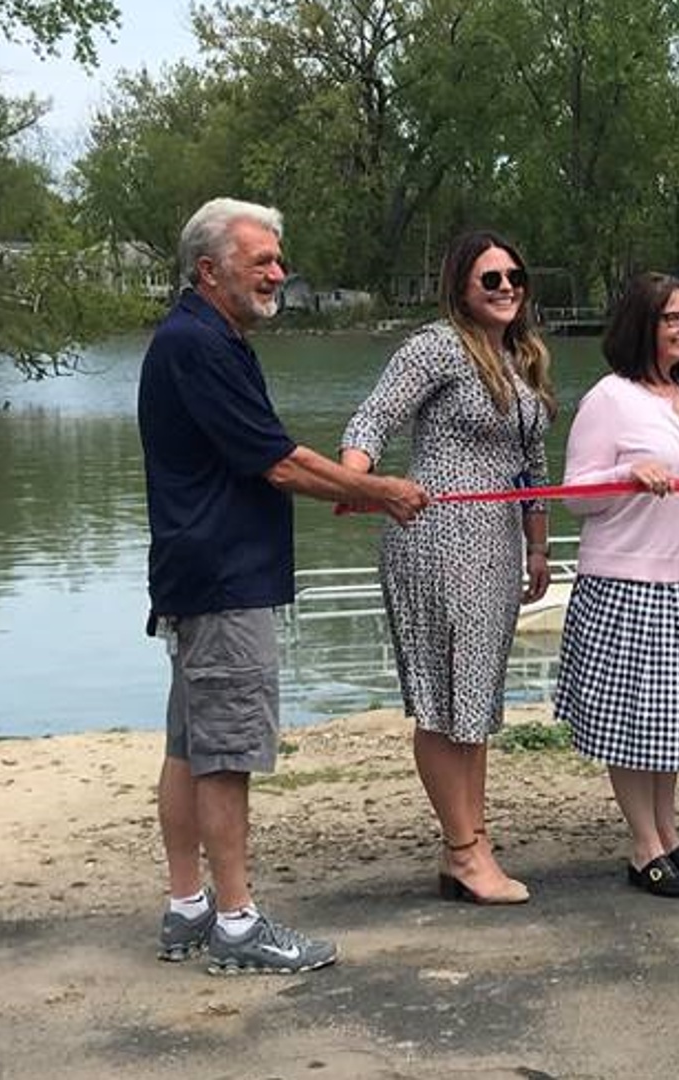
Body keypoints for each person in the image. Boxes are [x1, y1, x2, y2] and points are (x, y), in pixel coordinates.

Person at [139, 197, 428, 974]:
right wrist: (379, 492)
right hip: (223, 581)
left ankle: (186, 908)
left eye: (277, 258)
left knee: (190, 745)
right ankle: (236, 923)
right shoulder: (198, 343)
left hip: (196, 573)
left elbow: (268, 458)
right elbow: (275, 459)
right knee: (226, 753)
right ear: (208, 271)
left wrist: (349, 484)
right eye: (259, 260)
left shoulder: (205, 339)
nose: (277, 272)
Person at [340, 230, 555, 905]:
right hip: (436, 535)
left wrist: (539, 544)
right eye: (490, 279)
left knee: (478, 699)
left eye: (514, 277)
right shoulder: (437, 346)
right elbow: (373, 418)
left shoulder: (520, 357)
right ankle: (467, 851)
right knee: (444, 697)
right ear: (461, 286)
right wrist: (356, 482)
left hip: (496, 542)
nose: (505, 289)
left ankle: (467, 839)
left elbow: (533, 466)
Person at [556, 273, 679, 899]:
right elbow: (576, 497)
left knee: (673, 723)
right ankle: (643, 847)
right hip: (632, 585)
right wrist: (625, 472)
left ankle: (668, 833)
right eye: (672, 318)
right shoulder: (609, 399)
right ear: (643, 325)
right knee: (637, 723)